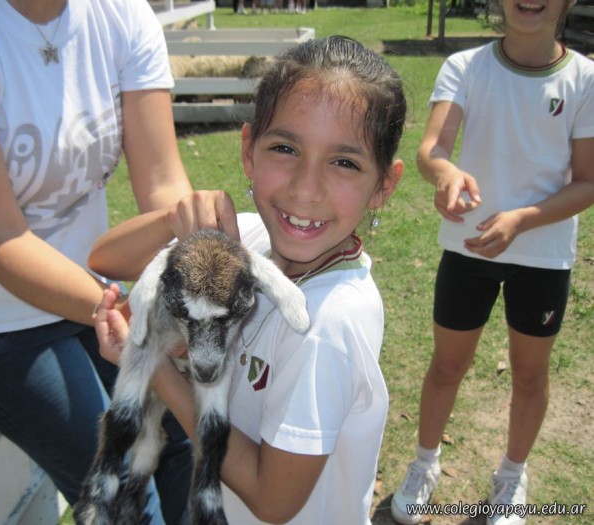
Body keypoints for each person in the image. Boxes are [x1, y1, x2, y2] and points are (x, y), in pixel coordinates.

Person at [0, 1, 236, 523]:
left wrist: (187, 285)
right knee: (123, 492)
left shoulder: (121, 14)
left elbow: (162, 182)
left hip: (91, 295)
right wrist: (126, 309)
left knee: (185, 448)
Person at [88, 35, 406, 524]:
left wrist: (155, 367)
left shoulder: (328, 325)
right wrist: (174, 218)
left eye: (344, 162)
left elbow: (272, 500)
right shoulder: (248, 240)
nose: (305, 188)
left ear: (383, 184)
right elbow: (107, 258)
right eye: (285, 148)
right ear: (249, 152)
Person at [390, 0, 594, 524]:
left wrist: (521, 220)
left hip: (543, 257)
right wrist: (444, 174)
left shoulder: (585, 79)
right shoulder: (466, 66)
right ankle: (424, 464)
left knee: (530, 375)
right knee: (446, 366)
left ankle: (511, 476)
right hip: (469, 247)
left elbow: (588, 182)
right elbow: (432, 149)